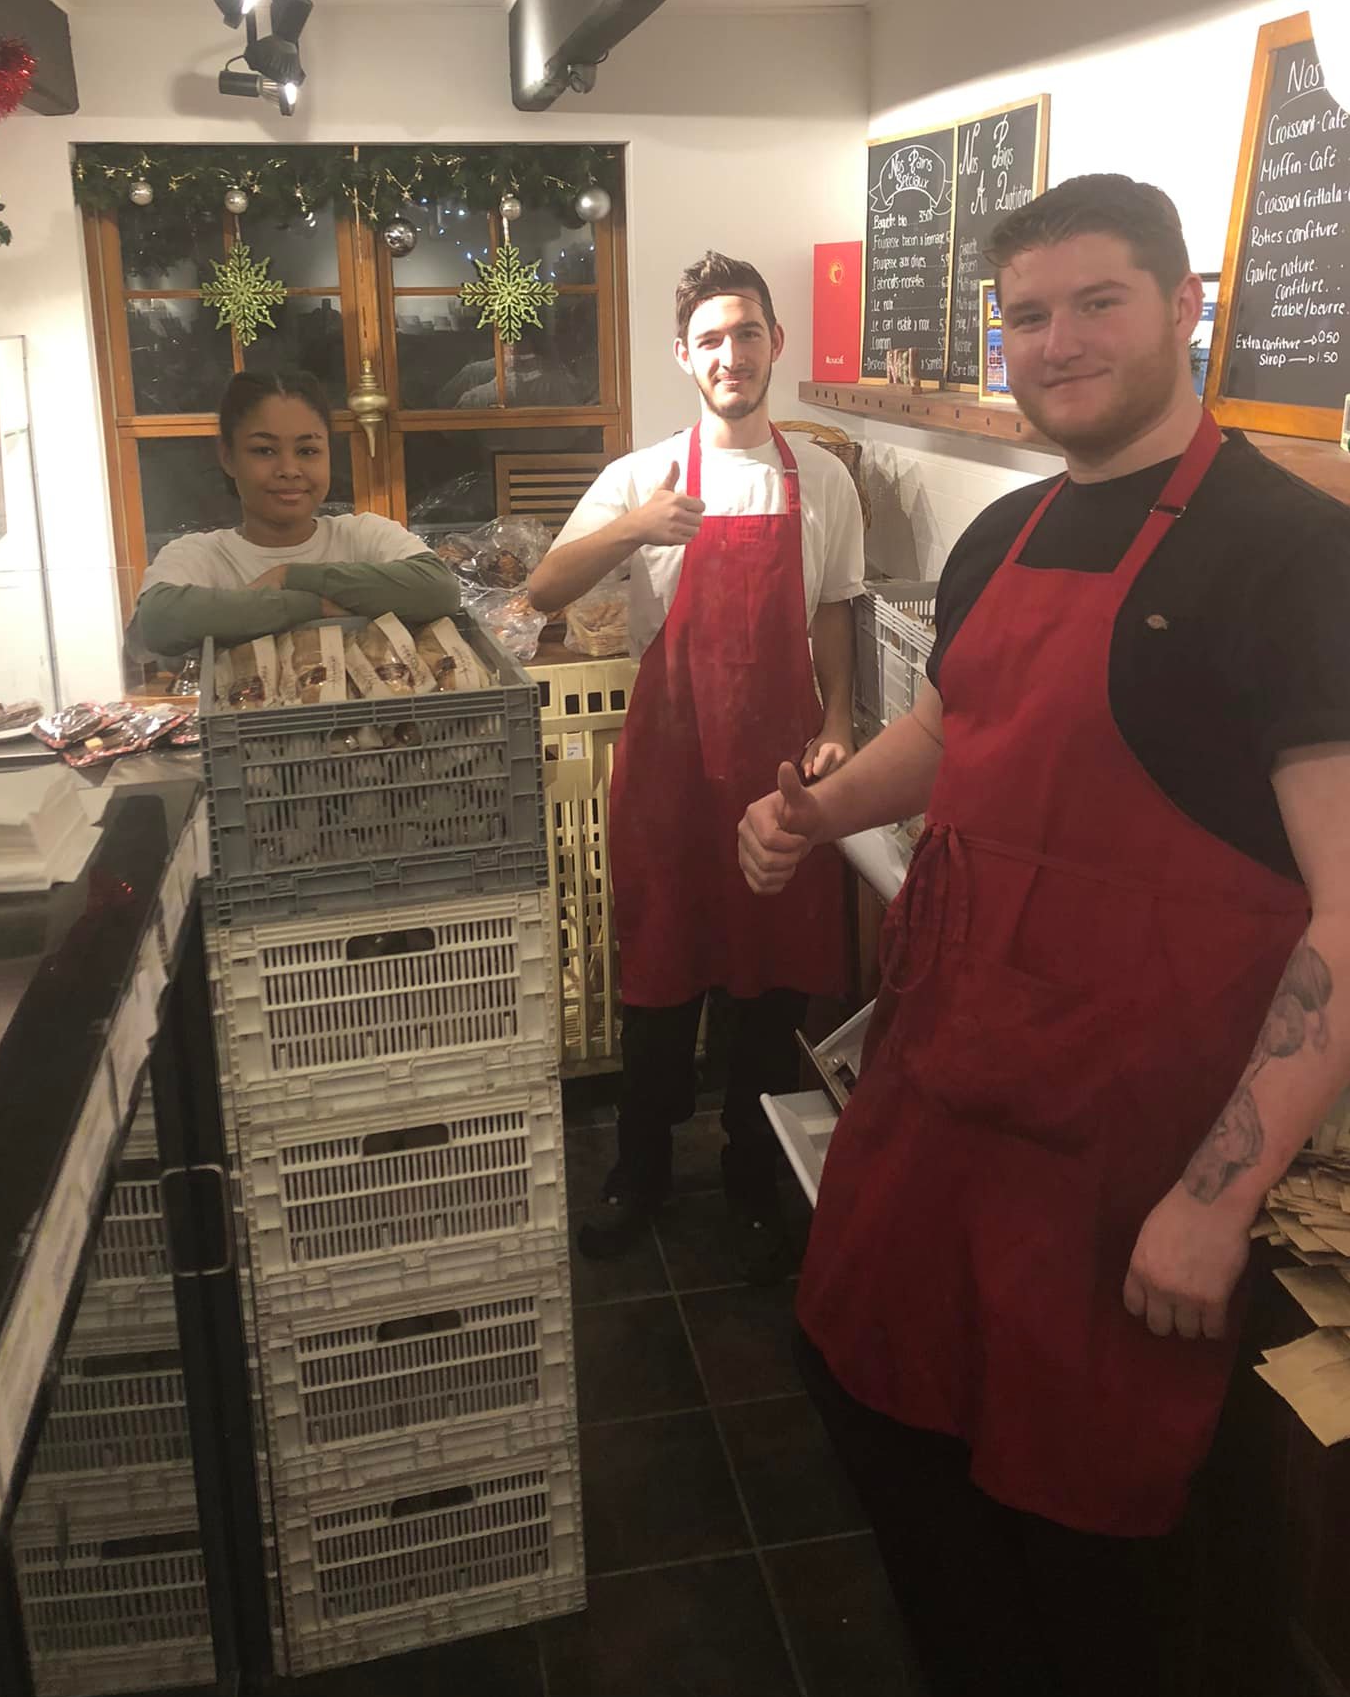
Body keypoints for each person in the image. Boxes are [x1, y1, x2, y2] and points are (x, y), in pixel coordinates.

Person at [737, 175, 1350, 1697]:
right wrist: (816, 808)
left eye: (1098, 301)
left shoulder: (1305, 561)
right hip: (947, 1095)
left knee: (1096, 1550)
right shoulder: (1008, 530)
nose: (1058, 342)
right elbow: (951, 723)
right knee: (880, 1414)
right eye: (1030, 315)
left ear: (1186, 306)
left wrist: (1215, 1198)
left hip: (1127, 1155)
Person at [529, 251, 866, 1282]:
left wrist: (840, 717)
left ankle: (751, 1175)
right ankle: (639, 1171)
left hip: (779, 778)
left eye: (747, 332)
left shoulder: (823, 480)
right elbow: (544, 590)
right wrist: (636, 528)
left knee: (770, 996)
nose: (732, 353)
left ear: (775, 342)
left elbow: (832, 610)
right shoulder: (644, 476)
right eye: (711, 338)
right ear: (684, 355)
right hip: (670, 781)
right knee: (659, 983)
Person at [130, 368, 458, 658]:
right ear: (228, 457)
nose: (289, 469)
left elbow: (439, 589)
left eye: (307, 450)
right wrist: (309, 606)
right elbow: (158, 621)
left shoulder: (363, 535)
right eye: (264, 450)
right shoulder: (201, 556)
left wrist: (289, 576)